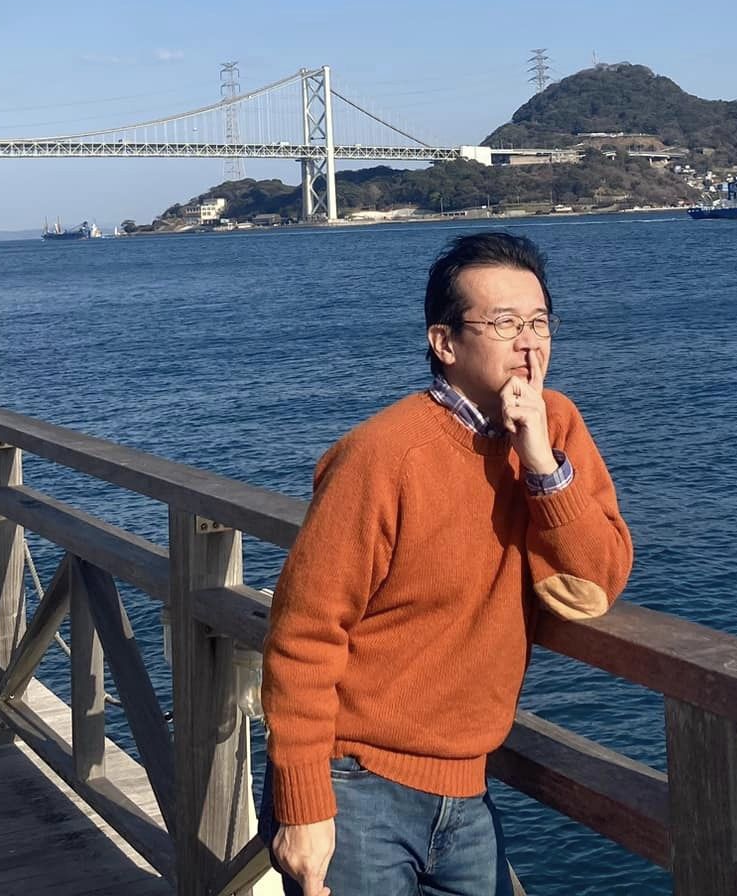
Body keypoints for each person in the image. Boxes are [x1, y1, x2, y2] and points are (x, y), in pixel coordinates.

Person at [262, 231, 634, 896]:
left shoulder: (555, 426)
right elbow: (304, 635)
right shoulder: (382, 456)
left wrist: (541, 464)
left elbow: (596, 582)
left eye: (539, 322)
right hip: (355, 785)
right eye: (504, 324)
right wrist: (304, 804)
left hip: (467, 788)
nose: (529, 344)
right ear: (445, 343)